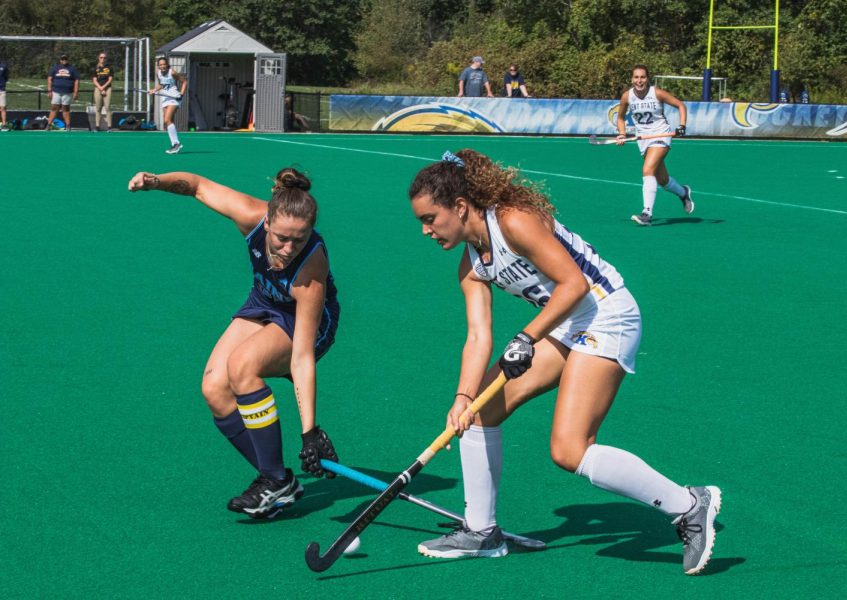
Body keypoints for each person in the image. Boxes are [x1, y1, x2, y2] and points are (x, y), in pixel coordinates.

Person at [407, 149, 721, 575]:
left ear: (460, 207)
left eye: (430, 218)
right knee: (481, 409)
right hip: (566, 324)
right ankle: (481, 532)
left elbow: (574, 283)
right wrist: (462, 398)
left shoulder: (513, 219)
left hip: (608, 314)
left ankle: (689, 505)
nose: (426, 230)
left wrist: (526, 337)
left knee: (569, 449)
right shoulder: (470, 264)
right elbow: (478, 336)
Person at [127, 167, 341, 519]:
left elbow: (302, 357)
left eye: (299, 240)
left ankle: (272, 481)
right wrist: (156, 182)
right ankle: (280, 481)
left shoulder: (310, 270)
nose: (288, 249)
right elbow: (197, 186)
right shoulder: (250, 217)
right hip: (265, 302)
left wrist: (310, 432)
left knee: (243, 365)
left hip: (309, 323)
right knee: (214, 387)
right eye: (281, 239)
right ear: (267, 223)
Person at [616, 64, 693, 226]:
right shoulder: (627, 97)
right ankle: (683, 192)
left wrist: (682, 126)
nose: (639, 81)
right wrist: (622, 134)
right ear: (631, 79)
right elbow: (621, 117)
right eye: (636, 77)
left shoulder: (656, 93)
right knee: (662, 179)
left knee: (647, 170)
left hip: (661, 135)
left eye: (642, 77)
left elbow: (681, 105)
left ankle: (646, 213)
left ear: (648, 78)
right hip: (643, 139)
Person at [149, 56, 188, 154]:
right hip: (165, 98)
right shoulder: (158, 73)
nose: (162, 66)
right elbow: (162, 84)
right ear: (158, 66)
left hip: (174, 97)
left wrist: (181, 94)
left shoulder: (172, 72)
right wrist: (154, 90)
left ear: (167, 64)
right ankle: (174, 145)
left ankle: (176, 143)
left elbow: (184, 82)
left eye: (164, 64)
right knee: (168, 122)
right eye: (160, 65)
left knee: (167, 119)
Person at [47, 54, 80, 131]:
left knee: (66, 109)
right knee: (54, 108)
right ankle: (48, 125)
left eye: (65, 59)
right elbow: (49, 79)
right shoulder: (55, 68)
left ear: (68, 60)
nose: (64, 60)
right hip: (56, 91)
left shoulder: (72, 69)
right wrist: (49, 90)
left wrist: (75, 92)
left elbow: (77, 81)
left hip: (67, 92)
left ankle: (68, 125)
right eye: (62, 59)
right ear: (60, 60)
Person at [92, 51, 114, 131]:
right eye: (101, 57)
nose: (103, 59)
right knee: (98, 108)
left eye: (104, 58)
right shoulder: (95, 68)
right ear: (98, 58)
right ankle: (97, 126)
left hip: (107, 88)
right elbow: (94, 80)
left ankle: (109, 127)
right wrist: (100, 88)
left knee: (107, 107)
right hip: (98, 88)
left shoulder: (109, 68)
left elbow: (110, 80)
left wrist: (104, 88)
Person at [0, 58, 9, 129]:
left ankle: (3, 124)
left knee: (3, 107)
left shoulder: (4, 67)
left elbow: (6, 78)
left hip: (1, 89)